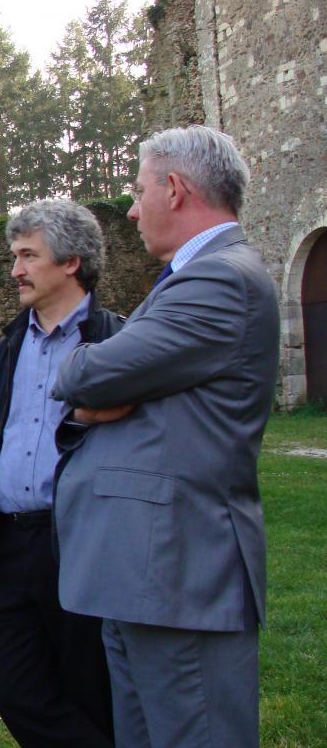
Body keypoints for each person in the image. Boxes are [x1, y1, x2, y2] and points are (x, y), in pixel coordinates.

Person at [52, 125, 279, 748]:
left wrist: (85, 390)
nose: (130, 208)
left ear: (174, 189)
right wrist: (89, 406)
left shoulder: (220, 278)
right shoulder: (194, 278)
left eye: (138, 189)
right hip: (146, 571)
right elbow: (100, 388)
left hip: (180, 572)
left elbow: (84, 370)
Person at [0, 199, 120, 747]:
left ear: (72, 261)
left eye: (28, 255)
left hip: (80, 542)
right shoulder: (8, 347)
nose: (15, 270)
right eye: (15, 256)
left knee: (88, 688)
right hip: (7, 544)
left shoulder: (114, 341)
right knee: (18, 694)